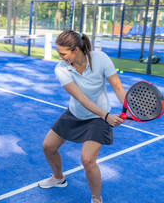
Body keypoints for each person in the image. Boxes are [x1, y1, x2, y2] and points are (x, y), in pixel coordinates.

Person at [38, 30, 129, 203]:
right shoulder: (61, 69)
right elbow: (81, 99)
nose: (60, 57)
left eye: (63, 53)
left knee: (87, 160)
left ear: (76, 50)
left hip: (97, 118)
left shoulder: (101, 59)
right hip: (77, 112)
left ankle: (96, 198)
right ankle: (58, 178)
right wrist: (107, 116)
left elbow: (118, 87)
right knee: (48, 147)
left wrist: (128, 107)